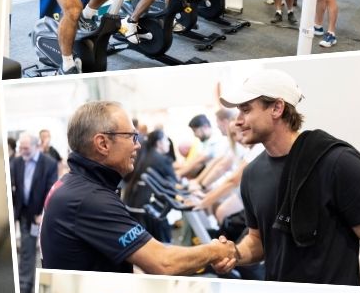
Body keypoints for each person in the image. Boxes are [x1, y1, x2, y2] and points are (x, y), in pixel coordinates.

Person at [217, 68, 360, 285]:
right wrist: (234, 254)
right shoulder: (252, 174)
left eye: (246, 110)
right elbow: (258, 240)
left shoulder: (336, 162)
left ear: (277, 108)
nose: (237, 121)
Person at [38, 101, 235, 273]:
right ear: (102, 143)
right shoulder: (90, 198)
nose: (138, 145)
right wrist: (216, 250)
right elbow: (163, 263)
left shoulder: (71, 184)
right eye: (132, 137)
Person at [12, 133, 56, 293]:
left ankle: (45, 291)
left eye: (26, 148)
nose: (22, 151)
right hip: (24, 214)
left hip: (41, 214)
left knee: (48, 253)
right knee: (26, 252)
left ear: (36, 146)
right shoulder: (17, 162)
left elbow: (51, 190)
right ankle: (24, 289)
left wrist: (43, 213)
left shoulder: (49, 164)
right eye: (20, 148)